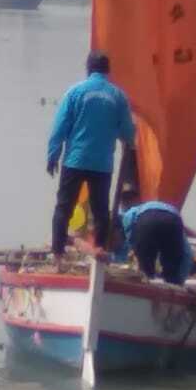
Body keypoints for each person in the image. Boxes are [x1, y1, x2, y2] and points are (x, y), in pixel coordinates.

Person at [47, 51, 135, 260]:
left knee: (63, 208)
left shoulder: (75, 92)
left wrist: (53, 155)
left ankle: (57, 252)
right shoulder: (118, 96)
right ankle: (99, 254)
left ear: (88, 69)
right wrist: (129, 139)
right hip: (101, 164)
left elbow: (60, 127)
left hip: (75, 161)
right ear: (108, 71)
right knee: (101, 212)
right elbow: (128, 133)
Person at [118, 195, 195, 286]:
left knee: (145, 270)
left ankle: (147, 282)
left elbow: (132, 240)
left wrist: (135, 252)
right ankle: (172, 284)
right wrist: (179, 280)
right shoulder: (134, 213)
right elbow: (186, 252)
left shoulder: (129, 215)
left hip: (147, 219)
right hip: (174, 219)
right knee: (171, 270)